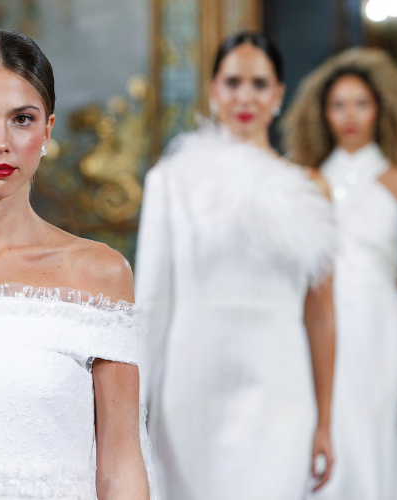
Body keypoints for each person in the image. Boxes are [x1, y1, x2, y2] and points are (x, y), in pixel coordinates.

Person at [0, 29, 159, 500]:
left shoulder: (98, 275)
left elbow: (121, 464)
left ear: (46, 130)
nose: (0, 142)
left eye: (21, 119)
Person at [135, 31, 335, 500]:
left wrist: (325, 420)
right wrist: (133, 415)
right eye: (233, 82)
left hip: (280, 384)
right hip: (190, 387)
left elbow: (321, 313)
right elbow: (151, 302)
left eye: (260, 84)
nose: (245, 97)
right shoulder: (171, 181)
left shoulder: (310, 189)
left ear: (279, 94)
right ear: (213, 90)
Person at [283, 47, 397, 500]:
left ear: (381, 108)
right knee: (326, 431)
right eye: (339, 104)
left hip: (384, 329)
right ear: (323, 112)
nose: (350, 115)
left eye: (362, 103)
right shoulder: (305, 182)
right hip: (317, 325)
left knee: (375, 436)